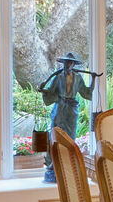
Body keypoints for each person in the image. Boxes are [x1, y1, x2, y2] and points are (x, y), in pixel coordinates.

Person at [39, 53, 97, 183]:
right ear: (63, 64)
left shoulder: (78, 77)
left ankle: (68, 162)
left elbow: (86, 92)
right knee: (55, 133)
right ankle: (52, 163)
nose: (68, 65)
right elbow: (51, 91)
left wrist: (94, 80)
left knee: (70, 135)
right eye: (66, 62)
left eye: (70, 63)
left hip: (72, 109)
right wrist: (43, 90)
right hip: (59, 107)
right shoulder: (58, 77)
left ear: (74, 64)